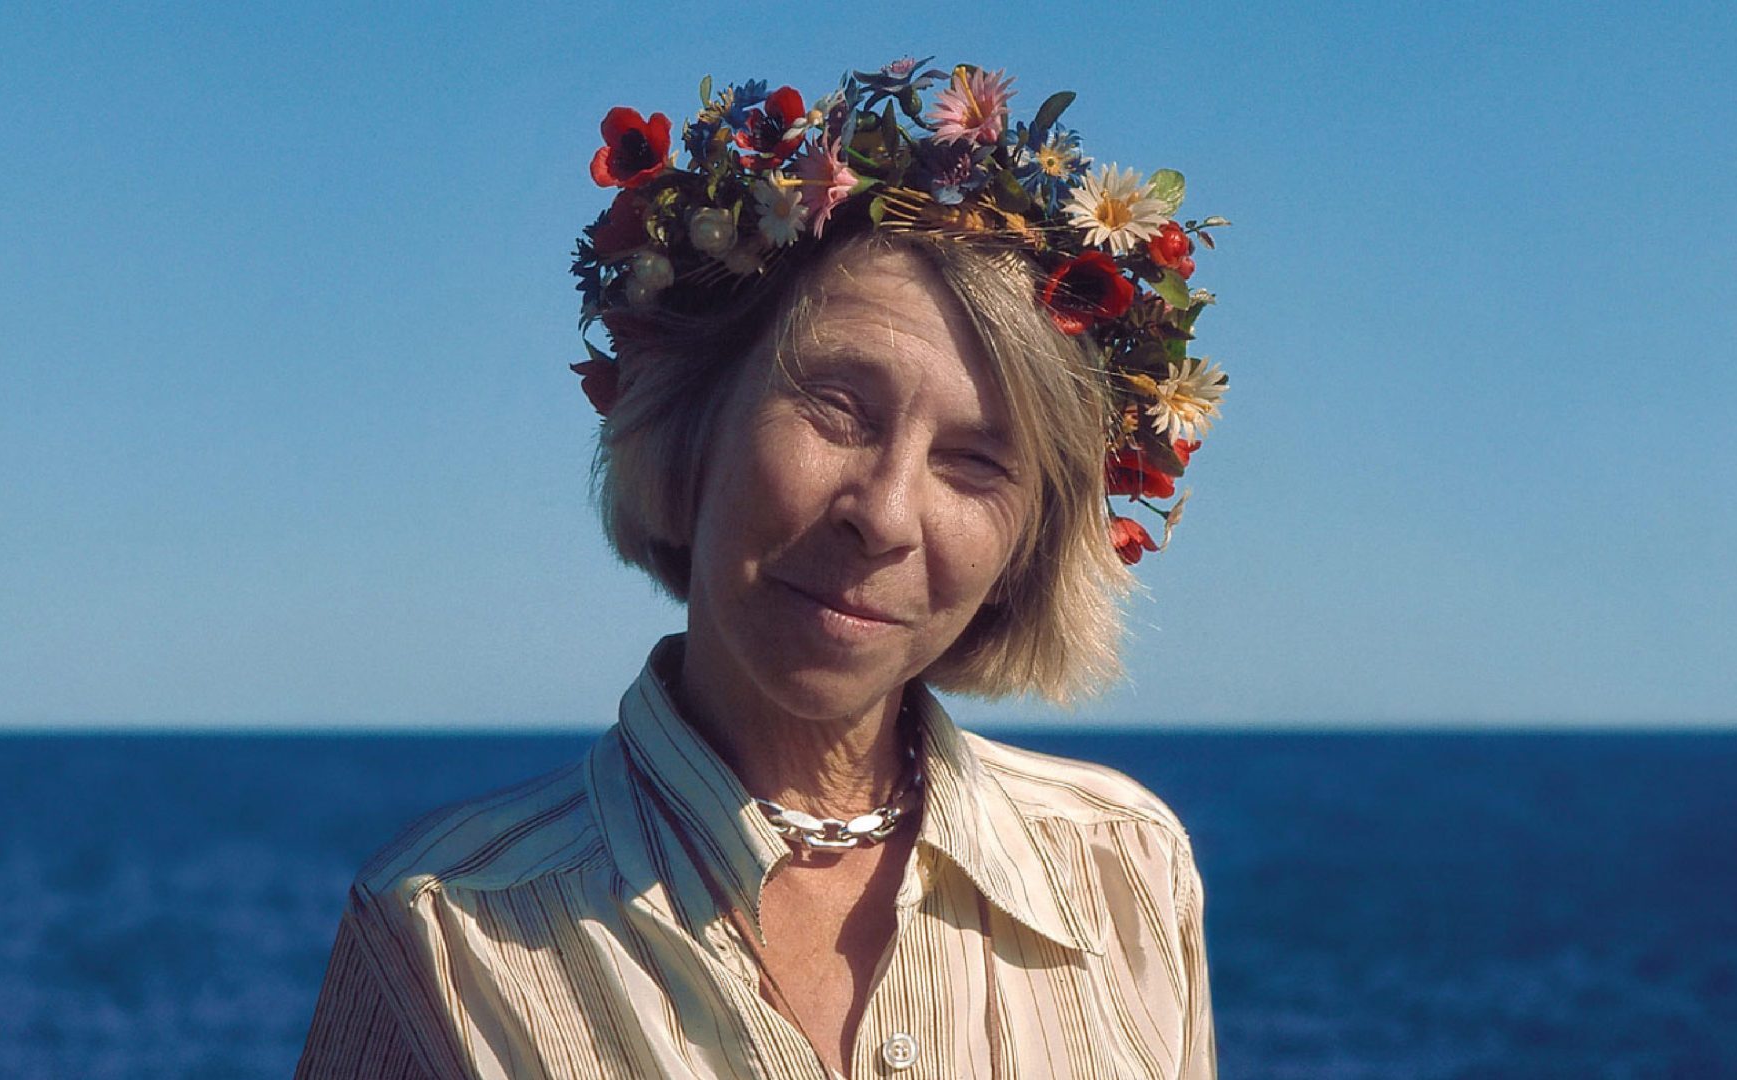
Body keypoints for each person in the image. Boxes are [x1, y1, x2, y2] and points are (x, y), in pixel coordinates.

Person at [297, 59, 1228, 1079]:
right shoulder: (446, 937)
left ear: (1025, 549)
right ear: (689, 428)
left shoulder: (1125, 865)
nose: (882, 513)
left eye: (975, 462)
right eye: (836, 409)